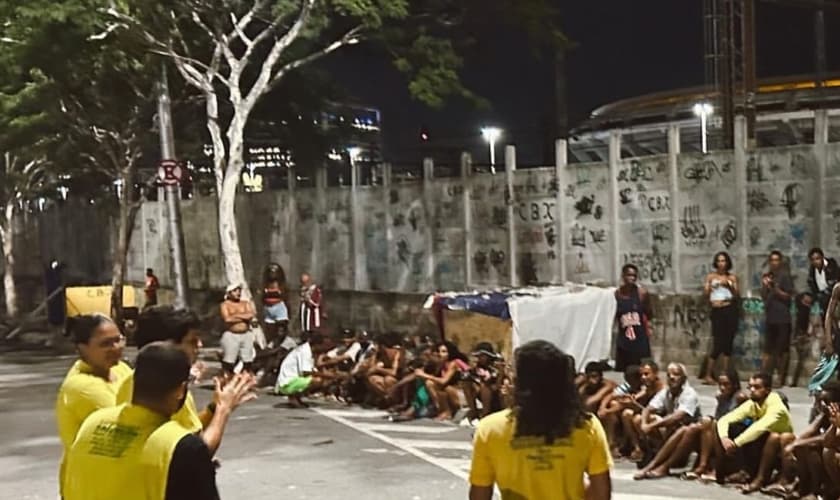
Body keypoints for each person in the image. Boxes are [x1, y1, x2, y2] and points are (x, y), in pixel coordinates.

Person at [63, 342, 255, 500]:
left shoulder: (92, 423)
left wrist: (218, 409)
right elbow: (194, 453)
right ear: (180, 390)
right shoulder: (178, 445)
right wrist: (222, 410)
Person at [469, 340, 612, 500]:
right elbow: (601, 493)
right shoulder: (586, 425)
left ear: (519, 383)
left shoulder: (490, 429)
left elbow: (480, 494)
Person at [116, 305, 256, 455]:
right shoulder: (171, 389)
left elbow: (186, 432)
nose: (200, 345)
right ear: (167, 346)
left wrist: (213, 408)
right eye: (192, 341)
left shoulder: (130, 381)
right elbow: (198, 451)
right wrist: (223, 409)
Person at [55, 314, 132, 495]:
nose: (116, 348)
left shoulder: (119, 368)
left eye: (118, 340)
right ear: (82, 347)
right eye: (105, 344)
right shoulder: (82, 386)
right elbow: (132, 423)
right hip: (92, 486)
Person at [714, 372, 794, 493]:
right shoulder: (753, 403)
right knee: (728, 427)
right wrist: (725, 438)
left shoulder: (777, 406)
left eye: (756, 387)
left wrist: (735, 443)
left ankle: (760, 479)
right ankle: (734, 472)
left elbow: (759, 427)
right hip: (761, 445)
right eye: (750, 386)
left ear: (767, 390)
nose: (751, 390)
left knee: (774, 437)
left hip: (779, 451)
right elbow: (725, 419)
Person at [763, 381, 840, 498]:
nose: (822, 404)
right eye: (820, 400)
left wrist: (835, 425)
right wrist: (795, 444)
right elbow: (809, 431)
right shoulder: (825, 412)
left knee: (820, 450)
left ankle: (817, 492)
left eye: (826, 401)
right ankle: (802, 487)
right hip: (829, 451)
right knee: (799, 445)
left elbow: (826, 440)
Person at [633, 362, 701, 479]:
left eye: (676, 374)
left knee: (683, 429)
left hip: (688, 438)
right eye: (669, 375)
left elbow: (677, 417)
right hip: (671, 432)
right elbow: (648, 409)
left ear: (683, 378)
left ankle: (657, 466)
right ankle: (654, 455)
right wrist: (644, 423)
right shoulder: (666, 392)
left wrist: (652, 426)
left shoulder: (689, 394)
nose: (672, 378)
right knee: (639, 419)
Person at [681, 368, 747, 482]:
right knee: (705, 423)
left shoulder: (740, 397)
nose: (722, 388)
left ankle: (715, 469)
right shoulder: (720, 396)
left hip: (737, 430)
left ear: (734, 384)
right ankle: (702, 465)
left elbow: (741, 419)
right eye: (720, 384)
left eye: (726, 384)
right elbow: (718, 415)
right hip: (722, 427)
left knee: (714, 425)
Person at [701, 251, 740, 385]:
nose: (721, 264)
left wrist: (727, 284)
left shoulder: (732, 277)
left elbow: (736, 295)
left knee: (728, 343)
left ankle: (725, 373)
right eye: (719, 261)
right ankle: (708, 374)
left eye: (723, 261)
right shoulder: (711, 277)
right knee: (717, 343)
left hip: (728, 309)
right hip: (717, 310)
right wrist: (711, 286)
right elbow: (706, 294)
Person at [761, 250, 795, 386]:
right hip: (770, 317)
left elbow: (788, 296)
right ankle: (764, 376)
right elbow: (763, 296)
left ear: (780, 262)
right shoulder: (768, 276)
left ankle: (780, 377)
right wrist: (765, 285)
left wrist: (776, 289)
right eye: (772, 260)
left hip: (783, 317)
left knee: (782, 349)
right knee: (768, 348)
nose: (774, 263)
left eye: (777, 260)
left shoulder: (785, 276)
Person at [621, 359, 665, 462]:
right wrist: (632, 399)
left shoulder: (662, 389)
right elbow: (640, 396)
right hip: (650, 416)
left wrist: (636, 405)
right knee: (626, 414)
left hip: (662, 419)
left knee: (638, 419)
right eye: (641, 375)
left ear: (655, 373)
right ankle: (638, 448)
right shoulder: (647, 386)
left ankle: (654, 450)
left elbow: (657, 410)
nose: (643, 378)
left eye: (646, 374)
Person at [414, 340, 470, 421]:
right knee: (430, 383)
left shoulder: (454, 363)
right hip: (452, 393)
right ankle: (441, 409)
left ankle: (447, 412)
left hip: (463, 394)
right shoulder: (443, 364)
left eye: (444, 352)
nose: (440, 354)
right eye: (439, 351)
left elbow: (443, 381)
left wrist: (424, 375)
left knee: (445, 388)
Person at [275, 332, 334, 408]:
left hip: (292, 380)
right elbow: (306, 372)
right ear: (317, 345)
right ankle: (293, 397)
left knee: (320, 379)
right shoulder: (305, 351)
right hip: (287, 383)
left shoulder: (307, 350)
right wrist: (328, 376)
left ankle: (297, 398)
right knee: (317, 380)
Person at [598, 364, 644, 456]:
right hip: (628, 411)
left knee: (626, 413)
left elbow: (629, 403)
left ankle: (636, 447)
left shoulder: (644, 387)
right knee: (613, 404)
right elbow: (611, 396)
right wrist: (602, 407)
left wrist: (607, 411)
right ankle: (613, 444)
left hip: (641, 411)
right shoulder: (627, 386)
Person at [614, 264, 653, 370]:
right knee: (623, 371)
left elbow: (649, 312)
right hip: (624, 339)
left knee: (642, 369)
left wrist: (649, 327)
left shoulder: (641, 293)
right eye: (629, 275)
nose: (632, 278)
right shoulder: (617, 294)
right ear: (623, 276)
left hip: (639, 339)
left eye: (634, 276)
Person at [220, 284, 258, 376]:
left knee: (248, 360)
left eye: (239, 290)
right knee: (229, 360)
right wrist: (244, 316)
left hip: (246, 334)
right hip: (231, 335)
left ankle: (245, 380)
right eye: (235, 291)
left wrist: (235, 315)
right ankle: (228, 379)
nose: (238, 293)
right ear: (229, 293)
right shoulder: (225, 305)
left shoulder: (245, 303)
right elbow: (227, 319)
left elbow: (251, 315)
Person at [462, 342, 505, 422]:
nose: (479, 358)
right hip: (484, 393)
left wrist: (500, 374)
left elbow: (497, 385)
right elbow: (465, 377)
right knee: (466, 384)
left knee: (485, 387)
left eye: (482, 356)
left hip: (497, 394)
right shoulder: (478, 366)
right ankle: (473, 411)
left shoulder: (495, 366)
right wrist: (471, 370)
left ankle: (485, 415)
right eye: (478, 356)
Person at [806, 247, 840, 322]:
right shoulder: (812, 269)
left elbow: (835, 282)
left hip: (833, 295)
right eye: (813, 260)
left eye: (817, 258)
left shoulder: (831, 265)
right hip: (820, 296)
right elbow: (812, 285)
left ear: (822, 257)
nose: (815, 261)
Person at [260, 263, 289, 345]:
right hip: (268, 309)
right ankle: (270, 344)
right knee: (269, 329)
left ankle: (279, 344)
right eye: (271, 272)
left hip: (279, 308)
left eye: (274, 272)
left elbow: (285, 297)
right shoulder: (265, 285)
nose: (272, 274)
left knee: (281, 328)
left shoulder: (282, 285)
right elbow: (262, 297)